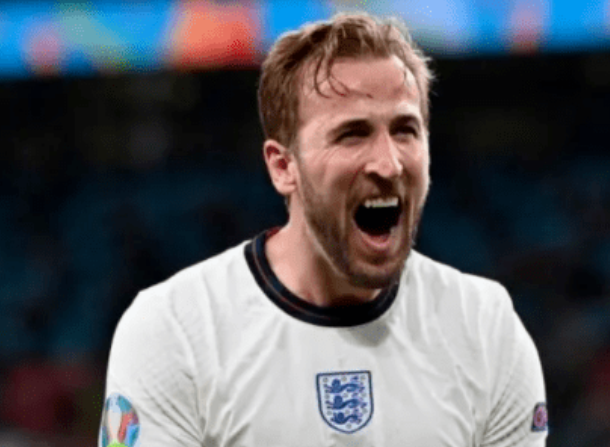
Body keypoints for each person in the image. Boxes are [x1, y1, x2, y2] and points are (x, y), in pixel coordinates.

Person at [101, 12, 548, 447]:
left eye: (405, 130)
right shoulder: (174, 330)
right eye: (352, 134)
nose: (389, 164)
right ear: (283, 166)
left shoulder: (485, 329)